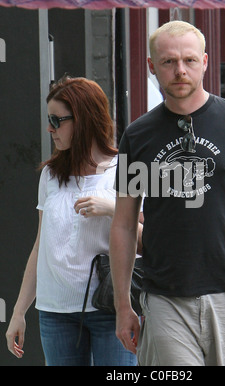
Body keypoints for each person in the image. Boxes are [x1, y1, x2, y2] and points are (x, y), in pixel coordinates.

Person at [109, 21, 225, 366]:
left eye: (189, 60)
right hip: (165, 300)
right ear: (151, 66)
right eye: (168, 62)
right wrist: (122, 305)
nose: (180, 71)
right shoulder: (138, 135)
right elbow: (124, 224)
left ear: (205, 62)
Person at [6, 76, 141, 366]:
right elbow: (41, 245)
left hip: (112, 308)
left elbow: (148, 239)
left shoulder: (127, 169)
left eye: (57, 120)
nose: (49, 128)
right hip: (55, 313)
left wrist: (111, 208)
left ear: (84, 119)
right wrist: (19, 312)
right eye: (48, 119)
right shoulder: (51, 175)